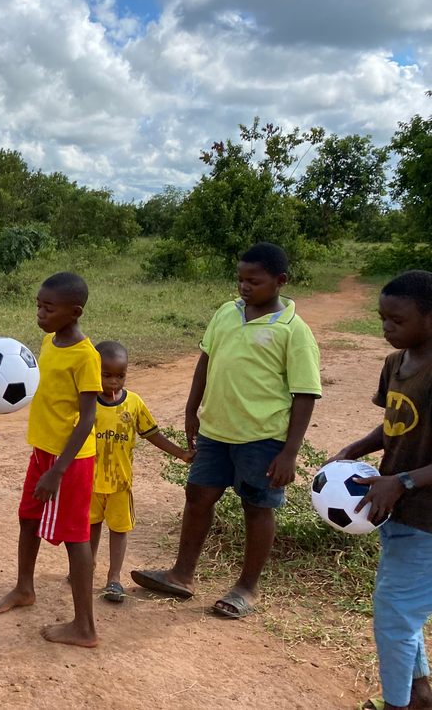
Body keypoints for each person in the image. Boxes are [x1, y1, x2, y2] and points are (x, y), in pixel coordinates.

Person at [131, 242, 321, 619]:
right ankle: (181, 574)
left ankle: (247, 588)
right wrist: (191, 410)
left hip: (262, 438)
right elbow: (206, 361)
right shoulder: (226, 313)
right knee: (198, 496)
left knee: (257, 507)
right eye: (240, 279)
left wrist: (289, 453)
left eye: (254, 281)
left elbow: (305, 394)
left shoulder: (293, 331)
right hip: (216, 433)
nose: (244, 287)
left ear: (280, 281)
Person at [331, 270, 432, 710]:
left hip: (427, 518)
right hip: (396, 511)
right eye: (382, 319)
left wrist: (402, 481)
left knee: (395, 616)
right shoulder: (395, 363)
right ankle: (419, 694)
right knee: (401, 608)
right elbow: (395, 422)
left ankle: (398, 705)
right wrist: (358, 447)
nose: (387, 327)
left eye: (398, 320)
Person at [0, 271, 103, 648]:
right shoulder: (49, 340)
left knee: (75, 537)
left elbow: (88, 418)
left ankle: (85, 627)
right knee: (28, 518)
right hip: (42, 452)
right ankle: (25, 588)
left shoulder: (86, 356)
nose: (40, 313)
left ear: (75, 311)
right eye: (38, 305)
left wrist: (58, 470)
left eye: (48, 308)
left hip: (69, 462)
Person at [88, 340, 194, 603]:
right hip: (88, 483)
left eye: (120, 376)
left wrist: (181, 453)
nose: (114, 382)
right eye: (107, 375)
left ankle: (114, 579)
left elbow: (153, 434)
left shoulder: (133, 403)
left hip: (120, 484)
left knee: (119, 529)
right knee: (90, 527)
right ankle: (85, 567)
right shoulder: (86, 402)